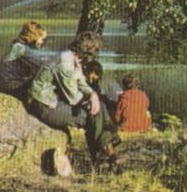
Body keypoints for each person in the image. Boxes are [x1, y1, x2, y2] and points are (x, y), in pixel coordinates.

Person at [27, 31, 120, 168]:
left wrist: (92, 94)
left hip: (53, 101)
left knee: (99, 106)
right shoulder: (65, 61)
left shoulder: (71, 57)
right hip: (44, 105)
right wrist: (90, 102)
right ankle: (104, 155)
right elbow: (73, 96)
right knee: (94, 115)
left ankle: (106, 153)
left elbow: (81, 82)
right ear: (88, 50)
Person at [0, 21, 49, 98]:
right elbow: (40, 64)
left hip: (6, 81)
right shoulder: (21, 48)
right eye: (43, 39)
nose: (43, 42)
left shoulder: (17, 44)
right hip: (9, 84)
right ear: (34, 36)